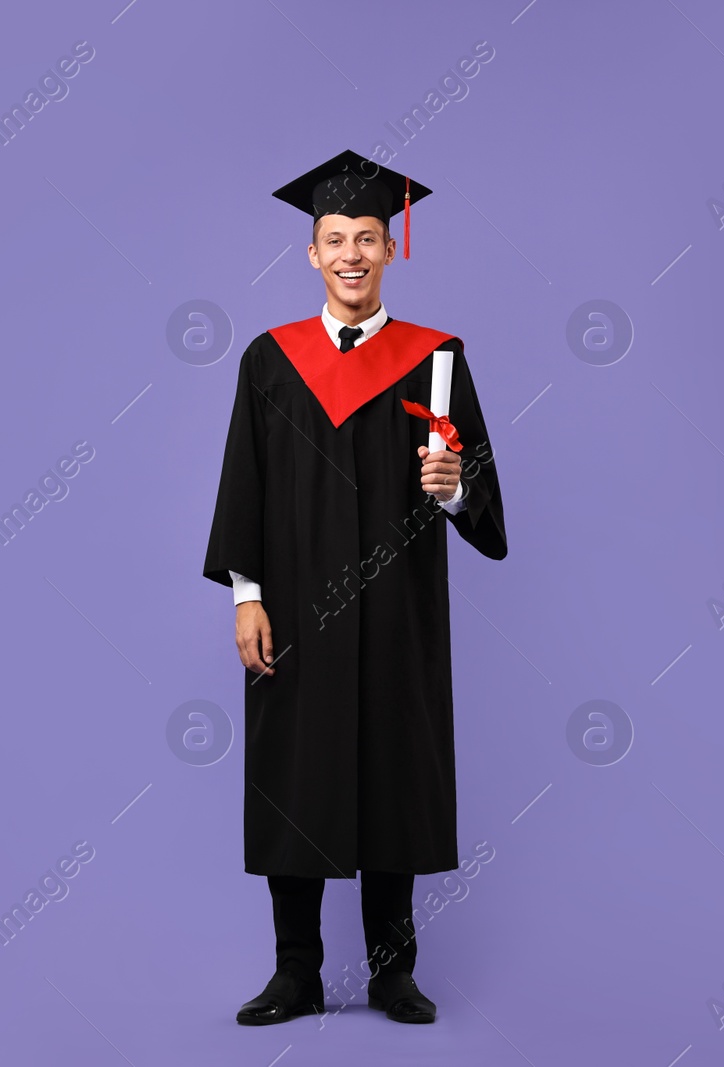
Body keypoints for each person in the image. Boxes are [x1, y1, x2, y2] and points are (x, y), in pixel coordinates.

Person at [202, 149, 508, 1025]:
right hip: (294, 607)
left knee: (393, 774)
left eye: (367, 237)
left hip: (398, 605)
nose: (351, 254)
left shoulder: (434, 357)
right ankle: (295, 972)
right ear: (311, 253)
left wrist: (453, 491)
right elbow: (244, 483)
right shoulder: (270, 360)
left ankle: (391, 973)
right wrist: (245, 595)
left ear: (389, 249)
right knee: (295, 775)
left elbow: (479, 491)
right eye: (334, 239)